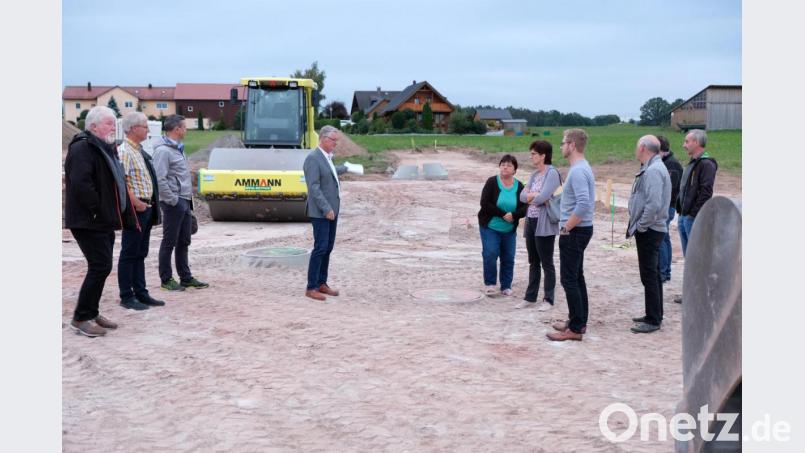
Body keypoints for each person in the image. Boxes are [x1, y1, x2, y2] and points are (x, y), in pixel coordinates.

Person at [64, 106, 138, 337]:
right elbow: (81, 185)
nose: (112, 126)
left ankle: (92, 311)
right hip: (89, 220)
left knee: (102, 267)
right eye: (108, 123)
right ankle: (81, 318)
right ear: (93, 126)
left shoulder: (103, 148)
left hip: (103, 219)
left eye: (113, 122)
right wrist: (97, 210)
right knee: (100, 266)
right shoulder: (82, 148)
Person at [547, 129, 595, 342]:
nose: (561, 146)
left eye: (563, 142)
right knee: (577, 276)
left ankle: (575, 329)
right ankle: (578, 320)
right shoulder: (582, 167)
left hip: (575, 231)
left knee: (569, 279)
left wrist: (566, 228)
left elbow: (584, 203)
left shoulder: (577, 171)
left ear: (572, 145)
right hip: (580, 230)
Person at [152, 114, 209, 291]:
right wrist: (173, 200)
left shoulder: (178, 148)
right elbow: (160, 179)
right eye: (184, 127)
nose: (186, 130)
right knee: (169, 241)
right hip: (173, 203)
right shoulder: (163, 151)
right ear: (176, 129)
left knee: (184, 240)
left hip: (184, 200)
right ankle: (166, 279)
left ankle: (185, 277)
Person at [117, 112, 165, 310]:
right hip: (136, 209)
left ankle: (141, 292)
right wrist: (135, 202)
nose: (147, 129)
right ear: (133, 128)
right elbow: (122, 181)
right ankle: (126, 296)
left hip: (146, 207)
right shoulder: (125, 151)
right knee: (130, 252)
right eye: (145, 126)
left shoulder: (138, 150)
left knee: (140, 252)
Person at [626, 136, 672, 334]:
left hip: (650, 230)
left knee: (649, 275)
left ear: (643, 148)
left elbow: (653, 204)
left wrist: (642, 226)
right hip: (652, 228)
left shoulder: (653, 170)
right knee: (652, 274)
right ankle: (654, 313)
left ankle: (653, 320)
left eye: (637, 146)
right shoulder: (653, 167)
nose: (636, 150)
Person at [303, 125, 348, 301]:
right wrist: (326, 208)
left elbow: (329, 173)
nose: (335, 144)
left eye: (336, 140)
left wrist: (345, 168)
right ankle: (311, 287)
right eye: (333, 140)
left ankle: (322, 282)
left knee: (328, 248)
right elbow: (313, 188)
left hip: (332, 211)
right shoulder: (313, 158)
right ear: (323, 138)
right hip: (321, 212)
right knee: (320, 248)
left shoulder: (327, 157)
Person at [673, 130, 718, 304]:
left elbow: (706, 191)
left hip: (693, 218)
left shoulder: (706, 164)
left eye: (687, 141)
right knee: (689, 258)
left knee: (698, 258)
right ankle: (692, 293)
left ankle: (701, 295)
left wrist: (694, 213)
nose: (684, 145)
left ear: (697, 142)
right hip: (684, 216)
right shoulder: (693, 163)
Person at [516, 141, 560, 311]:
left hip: (545, 223)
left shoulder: (552, 173)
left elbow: (542, 198)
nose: (531, 156)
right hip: (531, 221)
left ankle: (548, 299)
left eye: (533, 153)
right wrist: (535, 195)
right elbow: (521, 196)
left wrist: (533, 196)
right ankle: (530, 297)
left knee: (546, 262)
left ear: (543, 156)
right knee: (533, 261)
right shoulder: (535, 174)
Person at [477, 154, 528, 297]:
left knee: (508, 257)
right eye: (503, 164)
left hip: (509, 229)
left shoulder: (519, 186)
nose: (505, 167)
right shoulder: (492, 182)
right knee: (490, 253)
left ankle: (506, 286)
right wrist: (503, 214)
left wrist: (515, 215)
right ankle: (490, 284)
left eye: (509, 165)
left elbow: (525, 207)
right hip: (490, 226)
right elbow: (485, 203)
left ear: (514, 170)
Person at [657, 135, 683, 283]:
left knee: (661, 239)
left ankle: (663, 272)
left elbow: (670, 190)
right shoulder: (665, 162)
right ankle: (665, 272)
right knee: (664, 239)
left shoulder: (672, 165)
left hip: (667, 207)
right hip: (666, 207)